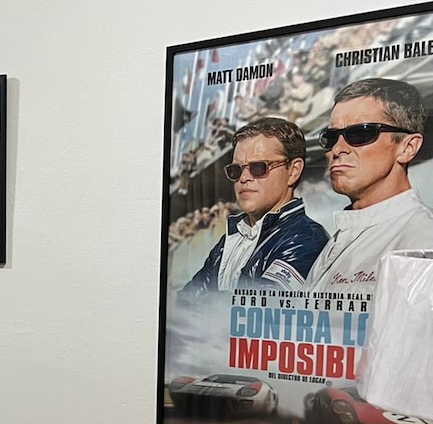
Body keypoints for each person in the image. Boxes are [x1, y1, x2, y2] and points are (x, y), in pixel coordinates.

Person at [306, 77, 433, 291]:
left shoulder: (421, 241)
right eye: (330, 137)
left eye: (361, 133)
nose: (337, 149)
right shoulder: (341, 236)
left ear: (408, 147)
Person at [180, 117, 328, 299]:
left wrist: (206, 302)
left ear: (293, 171)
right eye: (236, 170)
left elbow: (258, 309)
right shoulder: (230, 238)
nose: (244, 178)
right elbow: (184, 301)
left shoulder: (306, 237)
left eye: (258, 167)